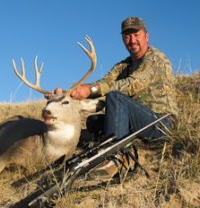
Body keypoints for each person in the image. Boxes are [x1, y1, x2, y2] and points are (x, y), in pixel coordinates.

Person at [47, 17, 178, 177]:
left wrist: (92, 89)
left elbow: (131, 84)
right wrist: (66, 94)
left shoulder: (156, 58)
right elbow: (104, 82)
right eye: (127, 36)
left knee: (115, 97)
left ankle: (117, 159)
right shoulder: (124, 65)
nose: (132, 40)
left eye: (136, 35)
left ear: (146, 36)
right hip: (136, 124)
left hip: (161, 124)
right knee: (92, 122)